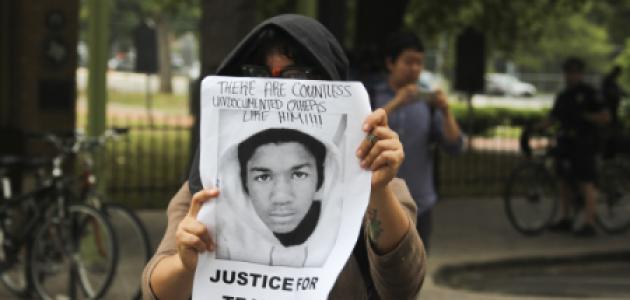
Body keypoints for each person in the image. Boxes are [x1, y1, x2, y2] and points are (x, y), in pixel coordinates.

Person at [142, 14, 425, 300]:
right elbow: (155, 290)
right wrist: (184, 264)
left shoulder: (377, 189)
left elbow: (403, 287)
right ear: (242, 179)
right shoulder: (204, 193)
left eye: (297, 76)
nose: (275, 90)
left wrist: (375, 189)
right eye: (258, 75)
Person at [371, 31, 464, 251]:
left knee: (415, 271)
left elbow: (455, 145)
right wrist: (396, 103)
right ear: (391, 63)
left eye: (419, 63)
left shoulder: (428, 103)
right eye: (408, 62)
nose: (414, 68)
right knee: (380, 271)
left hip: (420, 202)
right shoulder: (373, 95)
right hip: (378, 203)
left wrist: (445, 109)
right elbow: (362, 133)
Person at [214, 128, 336, 267]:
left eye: (299, 175)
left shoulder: (342, 230)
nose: (281, 198)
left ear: (320, 180)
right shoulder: (221, 239)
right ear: (244, 183)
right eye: (263, 177)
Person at [542, 57, 610, 236]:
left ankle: (589, 223)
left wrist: (586, 116)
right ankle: (566, 219)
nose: (570, 76)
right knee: (563, 180)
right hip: (567, 142)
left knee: (585, 182)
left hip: (585, 142)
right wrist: (535, 127)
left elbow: (605, 117)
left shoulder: (590, 93)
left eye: (574, 73)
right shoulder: (563, 96)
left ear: (580, 74)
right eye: (568, 73)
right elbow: (553, 118)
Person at [600, 65, 627, 157]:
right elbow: (609, 93)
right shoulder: (608, 80)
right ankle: (608, 151)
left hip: (612, 108)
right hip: (608, 108)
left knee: (614, 128)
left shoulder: (612, 81)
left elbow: (618, 91)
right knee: (609, 129)